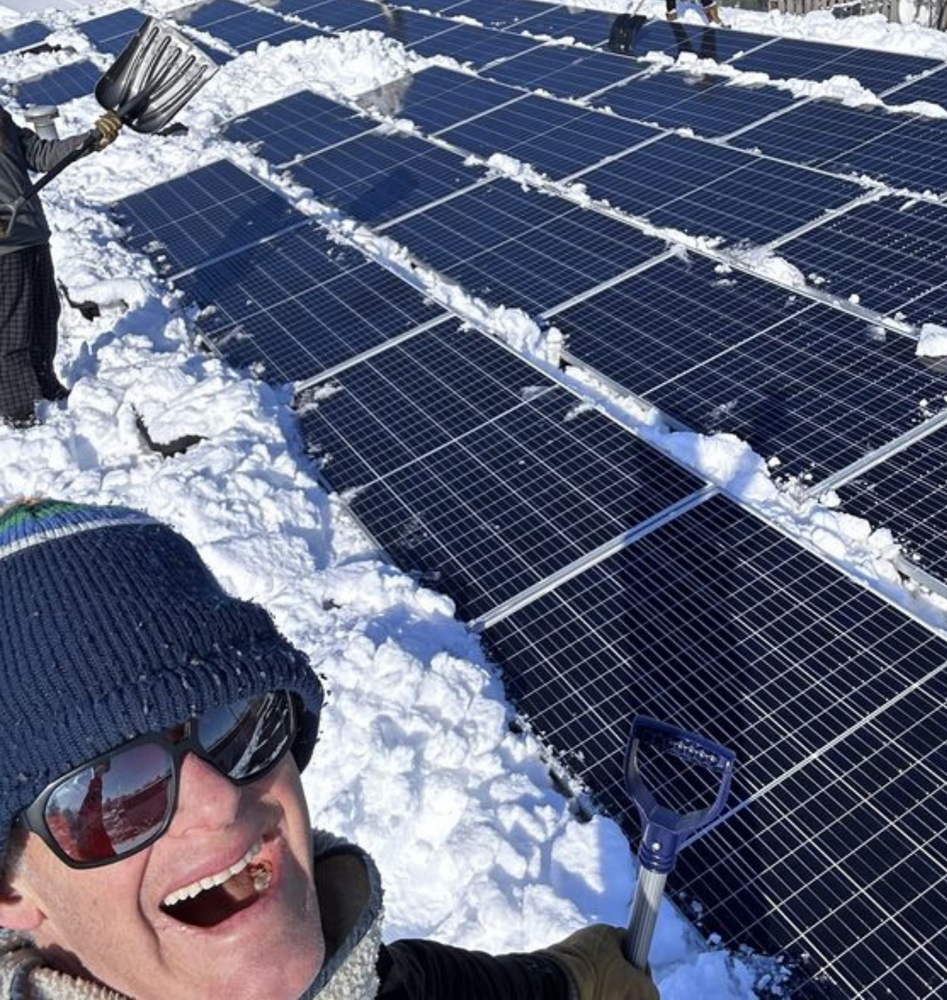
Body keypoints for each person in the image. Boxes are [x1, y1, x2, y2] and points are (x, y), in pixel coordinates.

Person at [0, 497, 660, 1000]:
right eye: (112, 790)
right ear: (9, 889)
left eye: (240, 722)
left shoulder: (385, 980)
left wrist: (580, 976)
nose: (219, 799)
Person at [0, 107, 121, 427]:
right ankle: (18, 413)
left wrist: (90, 140)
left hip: (31, 235)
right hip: (4, 248)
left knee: (44, 315)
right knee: (13, 332)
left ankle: (45, 384)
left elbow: (38, 154)